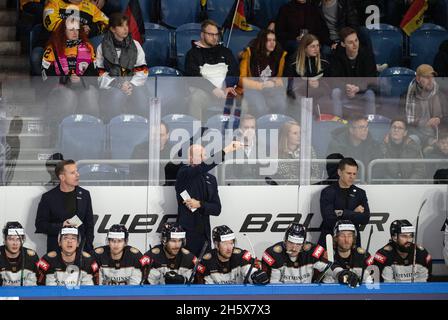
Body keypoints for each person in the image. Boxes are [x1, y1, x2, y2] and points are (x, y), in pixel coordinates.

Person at [175, 141, 243, 256]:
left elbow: (217, 209)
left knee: (204, 269)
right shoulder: (184, 173)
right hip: (186, 234)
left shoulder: (211, 179)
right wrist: (226, 150)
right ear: (190, 158)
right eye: (200, 155)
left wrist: (200, 204)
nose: (204, 158)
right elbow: (202, 167)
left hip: (204, 235)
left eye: (205, 155)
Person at [42, 16, 99, 135]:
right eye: (71, 29)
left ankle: (91, 134)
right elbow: (46, 77)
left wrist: (81, 80)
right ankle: (60, 134)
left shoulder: (88, 47)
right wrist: (67, 80)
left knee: (91, 94)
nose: (75, 32)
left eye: (77, 29)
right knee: (69, 96)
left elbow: (95, 74)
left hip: (83, 87)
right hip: (60, 88)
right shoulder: (52, 49)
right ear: (63, 31)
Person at [96, 13, 148, 122]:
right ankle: (113, 128)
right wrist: (118, 84)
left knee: (142, 100)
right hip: (112, 86)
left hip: (133, 84)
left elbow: (142, 70)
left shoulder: (135, 45)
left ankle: (142, 128)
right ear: (113, 29)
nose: (125, 29)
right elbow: (100, 74)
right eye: (121, 26)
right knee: (116, 96)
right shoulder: (102, 47)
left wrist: (130, 84)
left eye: (126, 25)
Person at [184, 19, 239, 121]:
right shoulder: (192, 54)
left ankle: (237, 134)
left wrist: (228, 86)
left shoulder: (226, 52)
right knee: (195, 99)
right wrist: (212, 89)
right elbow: (193, 77)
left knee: (243, 102)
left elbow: (234, 71)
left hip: (225, 92)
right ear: (202, 35)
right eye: (210, 34)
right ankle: (196, 134)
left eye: (216, 34)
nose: (214, 38)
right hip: (205, 93)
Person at [35, 159, 95, 252]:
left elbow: (89, 225)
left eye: (77, 171)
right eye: (72, 172)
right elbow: (40, 225)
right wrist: (61, 225)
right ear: (62, 177)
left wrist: (88, 248)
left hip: (80, 251)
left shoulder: (85, 194)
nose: (77, 174)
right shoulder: (48, 197)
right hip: (56, 251)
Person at [319, 157, 370, 247]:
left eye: (354, 174)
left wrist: (342, 213)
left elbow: (365, 218)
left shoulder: (360, 193)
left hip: (353, 243)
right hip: (331, 241)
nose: (352, 177)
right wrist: (353, 212)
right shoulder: (328, 192)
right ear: (339, 172)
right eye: (348, 173)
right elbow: (329, 219)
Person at [261, 223, 336, 283]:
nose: (294, 248)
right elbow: (274, 285)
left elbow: (329, 270)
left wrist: (336, 275)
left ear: (304, 244)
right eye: (290, 243)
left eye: (298, 244)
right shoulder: (273, 254)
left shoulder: (312, 252)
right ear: (285, 240)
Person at [328, 27, 377, 117]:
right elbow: (334, 78)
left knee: (370, 94)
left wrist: (358, 88)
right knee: (335, 92)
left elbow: (371, 78)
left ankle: (371, 124)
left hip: (361, 91)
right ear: (343, 44)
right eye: (350, 42)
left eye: (356, 40)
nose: (355, 45)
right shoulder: (336, 55)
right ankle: (337, 123)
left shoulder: (367, 54)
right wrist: (346, 87)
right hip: (344, 91)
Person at [196, 225, 269, 285]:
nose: (229, 248)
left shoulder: (240, 256)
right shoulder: (206, 261)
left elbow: (248, 271)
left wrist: (255, 275)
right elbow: (205, 290)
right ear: (216, 245)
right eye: (224, 243)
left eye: (231, 243)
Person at [239, 29, 288, 117]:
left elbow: (281, 79)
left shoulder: (280, 55)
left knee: (281, 104)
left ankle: (277, 128)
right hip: (252, 89)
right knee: (260, 107)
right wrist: (261, 85)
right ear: (262, 42)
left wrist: (273, 83)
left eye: (274, 40)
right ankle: (260, 129)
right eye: (268, 40)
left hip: (272, 89)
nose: (272, 43)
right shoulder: (250, 53)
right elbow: (241, 80)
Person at [285, 33, 331, 114]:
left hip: (320, 93)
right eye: (312, 46)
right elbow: (289, 85)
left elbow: (331, 80)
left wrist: (319, 83)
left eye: (317, 45)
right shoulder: (293, 62)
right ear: (304, 48)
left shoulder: (324, 60)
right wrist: (306, 83)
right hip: (301, 94)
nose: (316, 49)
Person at [404, 64, 443, 147]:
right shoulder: (409, 94)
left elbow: (445, 116)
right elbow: (409, 121)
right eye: (426, 77)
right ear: (418, 79)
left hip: (437, 132)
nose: (430, 80)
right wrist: (426, 123)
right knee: (412, 143)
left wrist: (439, 119)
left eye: (431, 77)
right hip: (417, 132)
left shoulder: (439, 92)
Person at [378, 118, 426, 183]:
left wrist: (408, 184)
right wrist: (392, 182)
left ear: (405, 133)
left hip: (410, 186)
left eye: (400, 128)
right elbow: (381, 170)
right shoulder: (382, 147)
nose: (396, 130)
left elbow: (419, 170)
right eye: (394, 127)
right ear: (390, 130)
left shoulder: (413, 147)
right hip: (389, 186)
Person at [331, 220, 374, 287]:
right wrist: (346, 278)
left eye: (350, 236)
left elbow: (372, 284)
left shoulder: (364, 256)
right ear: (336, 238)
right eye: (342, 236)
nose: (346, 240)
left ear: (354, 238)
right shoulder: (328, 255)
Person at [227, 114, 265, 185]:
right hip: (237, 189)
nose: (250, 131)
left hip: (259, 190)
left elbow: (266, 174)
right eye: (246, 128)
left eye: (252, 127)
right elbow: (228, 174)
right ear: (240, 129)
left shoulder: (262, 148)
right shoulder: (231, 148)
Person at [0, 222, 39, 286]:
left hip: (26, 295)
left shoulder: (32, 257)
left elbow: (40, 282)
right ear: (5, 240)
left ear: (23, 240)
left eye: (18, 239)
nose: (15, 243)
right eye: (11, 239)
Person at [43, 0, 109, 37]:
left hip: (83, 46)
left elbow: (106, 23)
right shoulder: (54, 2)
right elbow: (50, 23)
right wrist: (78, 29)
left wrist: (91, 28)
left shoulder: (91, 7)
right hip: (58, 43)